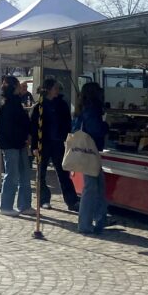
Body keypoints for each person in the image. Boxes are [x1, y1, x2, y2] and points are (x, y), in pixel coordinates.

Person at [31, 78, 77, 211]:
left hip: (58, 143)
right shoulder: (38, 106)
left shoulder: (62, 104)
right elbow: (34, 128)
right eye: (55, 87)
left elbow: (67, 123)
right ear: (49, 89)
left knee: (63, 172)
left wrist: (66, 137)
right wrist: (34, 146)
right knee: (41, 173)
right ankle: (44, 200)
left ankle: (72, 201)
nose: (58, 90)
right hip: (43, 144)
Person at [73, 80, 108, 234]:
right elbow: (96, 130)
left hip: (84, 151)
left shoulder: (81, 108)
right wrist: (107, 125)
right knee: (91, 187)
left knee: (98, 185)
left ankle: (100, 218)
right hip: (90, 152)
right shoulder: (92, 110)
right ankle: (85, 224)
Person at [0, 75, 33, 217]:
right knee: (12, 175)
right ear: (13, 88)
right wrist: (22, 137)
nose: (21, 88)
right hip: (12, 144)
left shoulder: (17, 103)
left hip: (20, 143)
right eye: (18, 85)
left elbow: (22, 122)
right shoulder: (7, 106)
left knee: (24, 173)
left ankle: (25, 205)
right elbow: (8, 128)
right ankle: (6, 205)